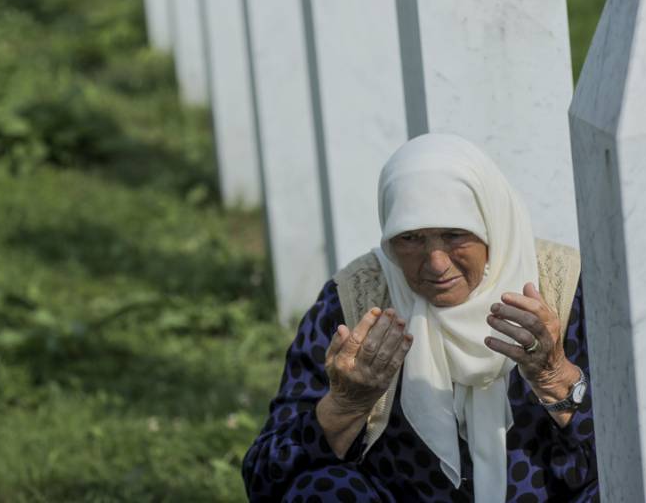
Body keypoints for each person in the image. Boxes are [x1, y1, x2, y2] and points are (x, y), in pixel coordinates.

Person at [242, 134, 598, 502]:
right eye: (411, 238)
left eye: (455, 235)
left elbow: (640, 446)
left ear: (491, 225)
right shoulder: (354, 302)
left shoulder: (565, 291)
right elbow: (265, 477)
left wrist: (556, 377)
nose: (436, 263)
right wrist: (344, 405)